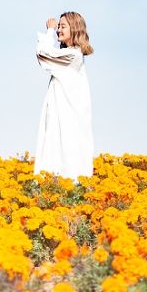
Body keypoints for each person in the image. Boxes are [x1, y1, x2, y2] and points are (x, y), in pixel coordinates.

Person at [34, 11, 95, 180]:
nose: (58, 30)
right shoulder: (70, 55)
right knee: (59, 152)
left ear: (74, 29)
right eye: (58, 26)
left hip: (67, 118)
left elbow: (43, 53)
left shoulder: (72, 55)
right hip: (62, 116)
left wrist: (49, 32)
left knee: (65, 155)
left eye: (62, 27)